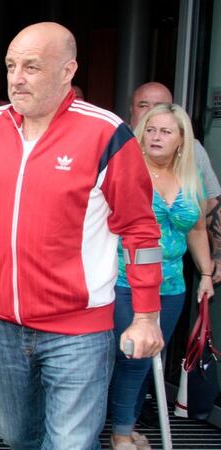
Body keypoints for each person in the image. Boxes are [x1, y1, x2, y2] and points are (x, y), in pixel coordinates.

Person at [0, 22, 165, 450]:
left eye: (32, 66)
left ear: (67, 71)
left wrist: (147, 315)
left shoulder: (105, 133)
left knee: (70, 443)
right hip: (1, 322)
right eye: (10, 65)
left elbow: (140, 230)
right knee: (15, 435)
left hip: (78, 329)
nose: (16, 77)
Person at [109, 103, 214, 449]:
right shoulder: (128, 168)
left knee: (152, 355)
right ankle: (120, 431)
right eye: (151, 129)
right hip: (126, 281)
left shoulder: (189, 177)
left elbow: (197, 228)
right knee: (133, 357)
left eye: (166, 131)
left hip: (171, 286)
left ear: (181, 140)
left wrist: (206, 273)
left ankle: (128, 422)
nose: (156, 137)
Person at [130, 82, 221, 283]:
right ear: (131, 109)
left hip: (173, 281)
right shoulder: (118, 151)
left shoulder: (193, 155)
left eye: (159, 105)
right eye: (143, 105)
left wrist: (215, 259)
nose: (152, 112)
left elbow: (210, 208)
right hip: (124, 279)